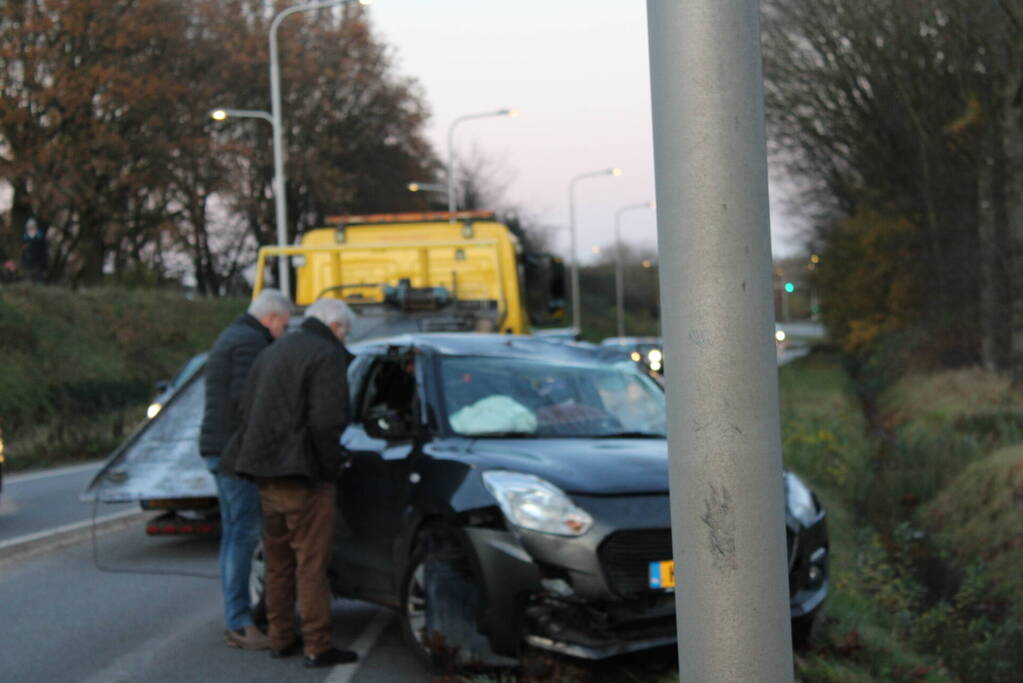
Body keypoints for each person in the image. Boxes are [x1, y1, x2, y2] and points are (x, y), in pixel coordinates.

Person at [222, 297, 356, 668]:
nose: (346, 339)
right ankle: (318, 644)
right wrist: (329, 470)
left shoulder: (273, 351)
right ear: (336, 327)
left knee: (278, 562)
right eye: (346, 331)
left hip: (264, 475)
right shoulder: (326, 355)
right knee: (311, 563)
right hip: (303, 476)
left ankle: (281, 637)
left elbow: (245, 409)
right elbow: (328, 422)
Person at [199, 289, 292, 650]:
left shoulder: (232, 335)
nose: (282, 332)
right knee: (244, 533)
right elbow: (248, 400)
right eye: (283, 325)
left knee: (232, 534)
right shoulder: (251, 342)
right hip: (235, 453)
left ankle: (235, 616)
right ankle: (239, 621)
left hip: (219, 449)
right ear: (271, 319)